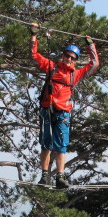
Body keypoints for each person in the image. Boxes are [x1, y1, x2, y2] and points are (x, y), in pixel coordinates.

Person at [29, 22, 99, 188]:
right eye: (67, 56)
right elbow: (34, 54)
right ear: (63, 56)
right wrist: (34, 35)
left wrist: (91, 45)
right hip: (47, 110)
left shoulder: (76, 74)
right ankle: (44, 176)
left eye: (72, 57)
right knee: (46, 144)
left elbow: (94, 64)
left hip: (62, 113)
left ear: (76, 60)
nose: (68, 59)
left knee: (61, 146)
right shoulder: (52, 67)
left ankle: (60, 177)